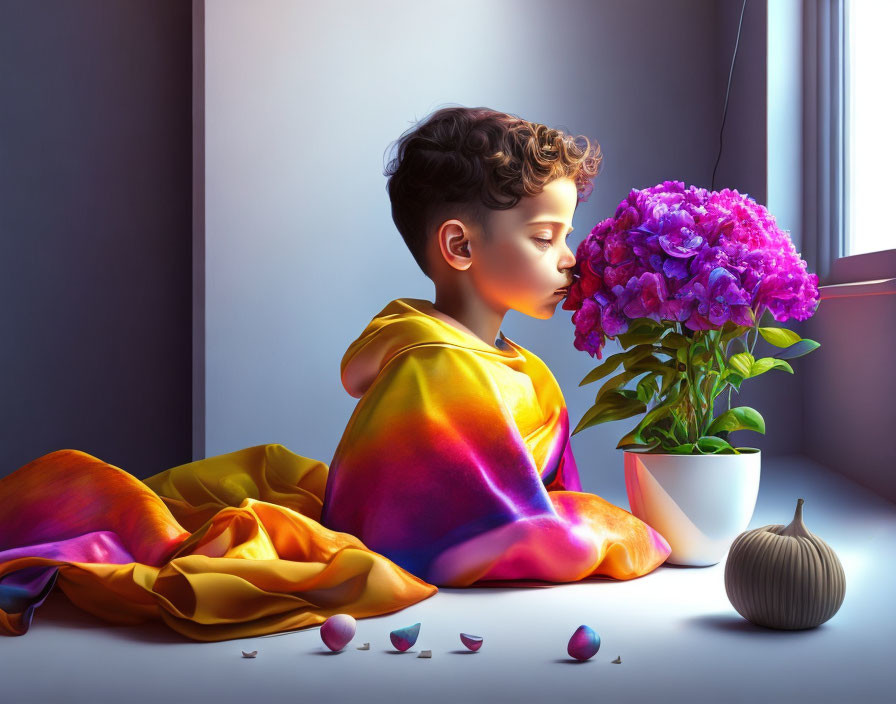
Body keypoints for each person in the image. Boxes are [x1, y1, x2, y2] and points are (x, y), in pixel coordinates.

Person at [0, 106, 670, 642]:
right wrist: (627, 534)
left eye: (568, 235)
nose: (571, 260)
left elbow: (545, 495)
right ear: (460, 246)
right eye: (546, 236)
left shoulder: (529, 375)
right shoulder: (436, 370)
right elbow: (461, 541)